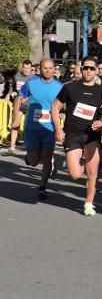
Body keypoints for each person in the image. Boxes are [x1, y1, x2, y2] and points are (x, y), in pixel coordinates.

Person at [51, 58, 102, 215]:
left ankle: (88, 203)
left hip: (91, 136)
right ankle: (84, 162)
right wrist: (58, 129)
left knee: (92, 172)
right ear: (81, 69)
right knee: (75, 174)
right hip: (73, 135)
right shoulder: (70, 87)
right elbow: (55, 106)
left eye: (91, 68)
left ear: (97, 70)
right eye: (85, 68)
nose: (88, 71)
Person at [14, 58, 62, 200]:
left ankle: (42, 187)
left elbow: (63, 105)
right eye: (45, 68)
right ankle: (30, 157)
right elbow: (19, 98)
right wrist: (16, 118)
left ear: (54, 69)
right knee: (34, 160)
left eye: (50, 68)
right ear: (40, 69)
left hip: (49, 128)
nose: (47, 71)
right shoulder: (31, 83)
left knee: (47, 158)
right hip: (32, 128)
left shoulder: (59, 86)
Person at [6, 59, 34, 154]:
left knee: (30, 126)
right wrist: (10, 93)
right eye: (25, 68)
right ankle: (12, 147)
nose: (26, 70)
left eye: (28, 68)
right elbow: (14, 89)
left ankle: (32, 146)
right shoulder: (16, 76)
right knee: (15, 123)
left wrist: (27, 98)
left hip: (30, 104)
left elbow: (37, 92)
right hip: (19, 104)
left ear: (31, 69)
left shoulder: (34, 79)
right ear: (22, 68)